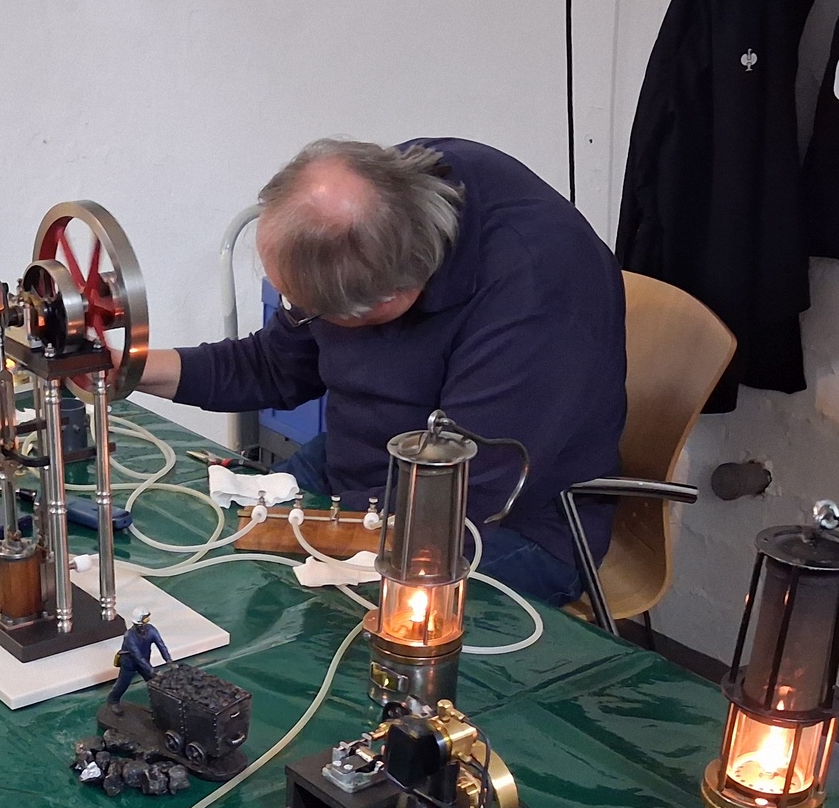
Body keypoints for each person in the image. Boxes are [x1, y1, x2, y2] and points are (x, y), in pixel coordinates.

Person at [138, 137, 627, 606]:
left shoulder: (538, 294)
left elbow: (460, 494)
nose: (298, 316)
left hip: (500, 523)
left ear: (395, 298)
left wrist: (305, 536)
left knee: (312, 611)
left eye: (309, 311)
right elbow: (275, 365)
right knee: (217, 550)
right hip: (363, 467)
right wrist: (127, 367)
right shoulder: (385, 197)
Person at [107, 610, 171, 706]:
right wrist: (151, 670)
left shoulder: (151, 630)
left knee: (154, 682)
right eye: (143, 622)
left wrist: (168, 660)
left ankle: (159, 704)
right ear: (137, 624)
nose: (145, 626)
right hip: (130, 663)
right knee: (123, 684)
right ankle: (113, 701)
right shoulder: (129, 636)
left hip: (144, 663)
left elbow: (161, 645)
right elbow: (137, 656)